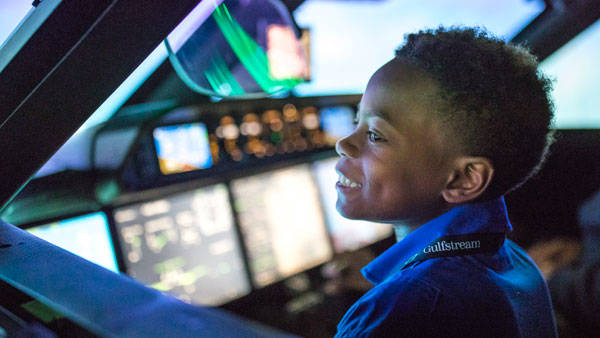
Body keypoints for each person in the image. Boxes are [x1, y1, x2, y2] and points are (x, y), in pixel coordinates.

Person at [333, 27, 557, 337]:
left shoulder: (402, 308)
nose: (344, 143)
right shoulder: (516, 262)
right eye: (357, 121)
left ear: (463, 179)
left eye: (375, 135)